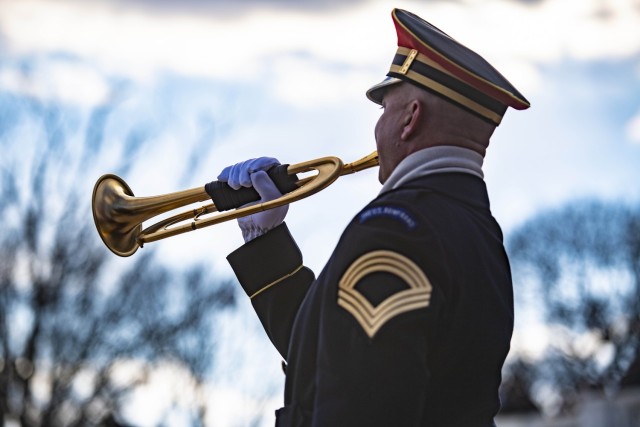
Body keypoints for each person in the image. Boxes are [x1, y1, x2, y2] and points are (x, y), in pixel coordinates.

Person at [214, 8, 530, 427]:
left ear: (410, 118)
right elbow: (337, 359)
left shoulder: (394, 229)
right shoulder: (478, 232)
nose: (377, 128)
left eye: (384, 110)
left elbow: (359, 404)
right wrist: (264, 238)